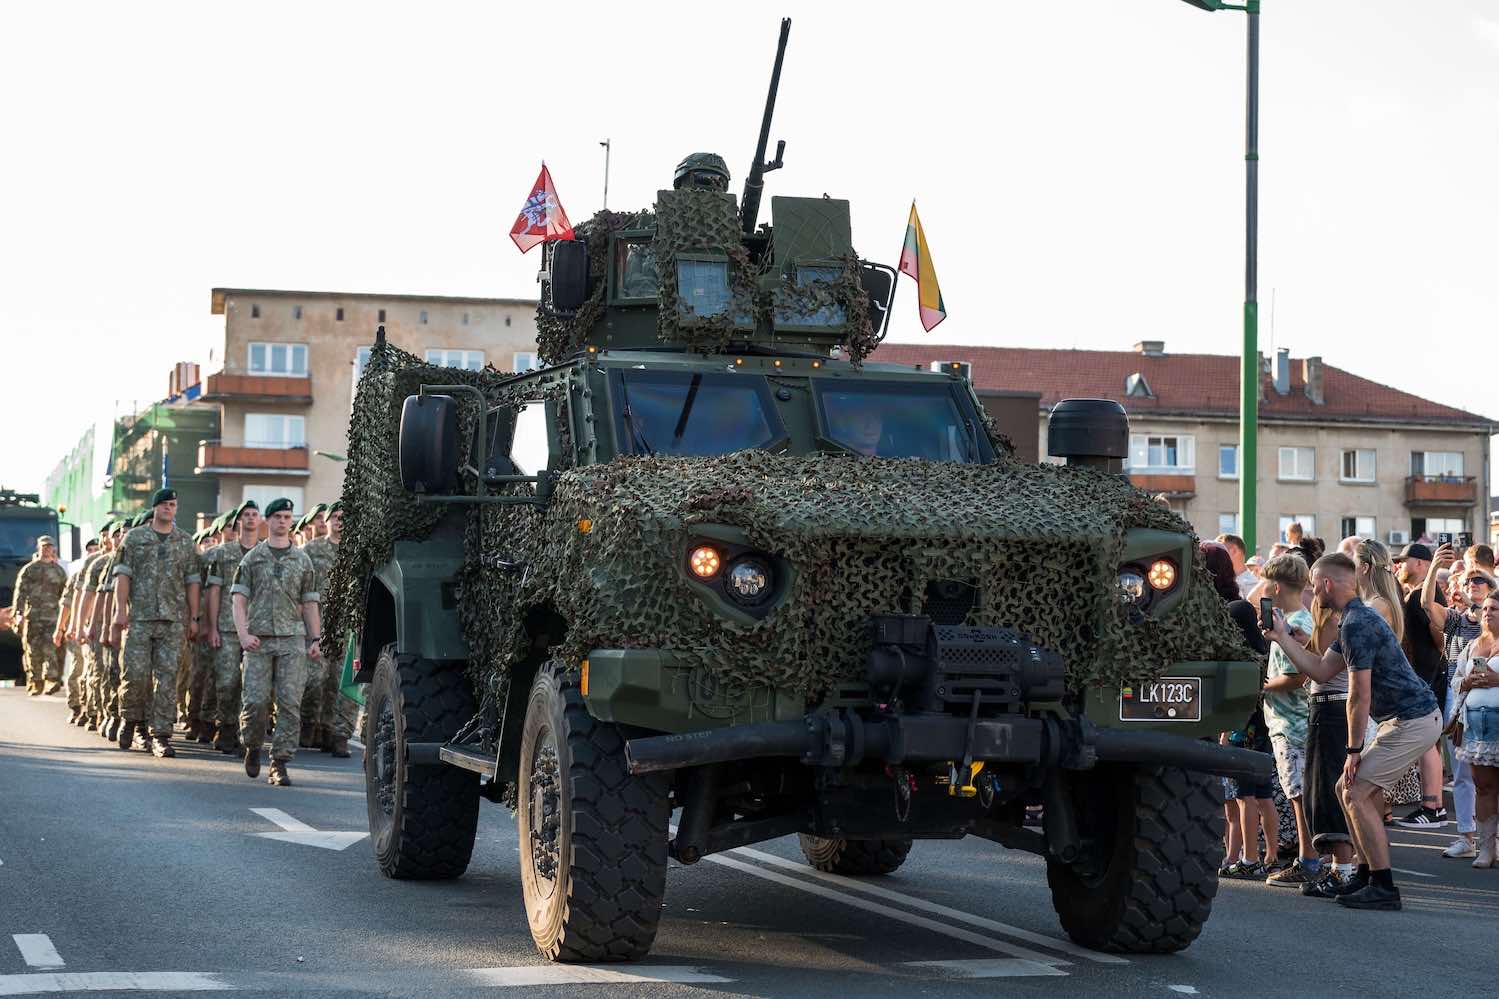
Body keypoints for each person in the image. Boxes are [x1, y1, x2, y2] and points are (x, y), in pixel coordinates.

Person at [1265, 553, 1442, 910]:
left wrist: (1353, 751)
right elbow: (1319, 670)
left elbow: (1359, 695)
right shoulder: (1353, 618)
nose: (1313, 593)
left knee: (1355, 791)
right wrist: (1282, 637)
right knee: (1344, 789)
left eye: (1315, 586)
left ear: (1327, 584)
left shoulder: (1357, 623)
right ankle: (1363, 874)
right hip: (1405, 719)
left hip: (1413, 719)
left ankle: (1383, 885)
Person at [232, 497, 322, 786]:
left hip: (292, 641)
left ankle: (279, 762)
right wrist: (243, 634)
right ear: (267, 521)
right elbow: (238, 600)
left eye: (287, 517)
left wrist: (315, 638)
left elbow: (310, 603)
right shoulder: (252, 559)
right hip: (259, 642)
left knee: (290, 703)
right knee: (255, 702)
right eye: (277, 517)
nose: (283, 521)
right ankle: (252, 745)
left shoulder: (302, 560)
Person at [111, 490, 201, 758]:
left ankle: (161, 735)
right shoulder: (134, 538)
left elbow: (192, 582)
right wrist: (120, 611)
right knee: (135, 675)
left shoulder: (185, 542)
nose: (168, 509)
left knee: (167, 679)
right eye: (163, 505)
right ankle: (130, 719)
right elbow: (123, 577)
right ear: (154, 509)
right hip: (140, 617)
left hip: (173, 621)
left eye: (172, 505)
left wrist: (194, 617)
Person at [1259, 554, 1320, 887]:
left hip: (1292, 723)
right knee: (1300, 793)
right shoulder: (1300, 618)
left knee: (1298, 795)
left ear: (1277, 587)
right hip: (1292, 721)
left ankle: (1308, 860)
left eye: (1267, 582)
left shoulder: (1297, 623)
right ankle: (1310, 857)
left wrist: (1262, 687)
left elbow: (1296, 676)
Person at [1422, 547, 1487, 842]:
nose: (1472, 584)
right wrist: (1434, 567)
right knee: (1461, 772)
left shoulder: (1493, 621)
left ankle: (1491, 838)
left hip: (1487, 702)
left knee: (1488, 773)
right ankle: (1466, 836)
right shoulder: (1456, 620)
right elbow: (1426, 604)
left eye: (1478, 580)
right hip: (1457, 698)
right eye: (1468, 581)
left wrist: (1476, 607)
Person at [1391, 542, 1454, 833]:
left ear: (1420, 564)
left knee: (1428, 741)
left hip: (1429, 676)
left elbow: (1441, 636)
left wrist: (1437, 666)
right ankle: (1432, 805)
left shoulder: (1426, 593)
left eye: (1404, 561)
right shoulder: (1414, 593)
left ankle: (1434, 807)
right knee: (1426, 741)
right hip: (1422, 676)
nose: (1400, 566)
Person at [1447, 594, 1499, 868]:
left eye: (1495, 609)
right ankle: (1487, 849)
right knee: (1483, 787)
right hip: (1476, 728)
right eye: (1486, 608)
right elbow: (1455, 680)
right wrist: (1467, 682)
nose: (1488, 613)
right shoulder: (1472, 645)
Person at [205, 501, 260, 754]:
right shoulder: (223, 553)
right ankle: (225, 727)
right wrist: (212, 627)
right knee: (227, 681)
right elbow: (214, 591)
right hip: (227, 627)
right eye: (245, 515)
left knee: (252, 685)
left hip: (257, 627)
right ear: (238, 521)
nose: (250, 518)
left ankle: (243, 733)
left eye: (254, 514)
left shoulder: (265, 552)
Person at [9, 536, 68, 695]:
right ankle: (36, 681)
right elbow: (20, 593)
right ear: (38, 548)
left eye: (49, 546)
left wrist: (66, 619)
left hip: (53, 618)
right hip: (32, 617)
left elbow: (65, 595)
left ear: (54, 548)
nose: (47, 549)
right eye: (44, 546)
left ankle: (51, 680)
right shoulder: (29, 570)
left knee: (51, 649)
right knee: (32, 650)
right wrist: (18, 614)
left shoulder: (59, 571)